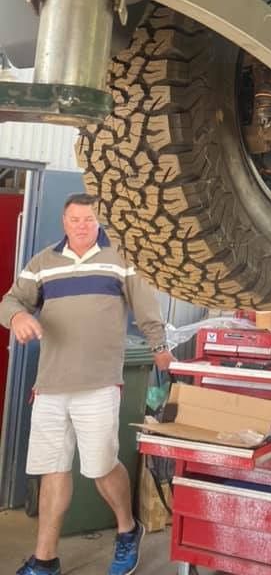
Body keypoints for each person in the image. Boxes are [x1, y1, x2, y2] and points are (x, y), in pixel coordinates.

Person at [0, 193, 174, 575]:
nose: (81, 224)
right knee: (53, 470)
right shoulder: (43, 262)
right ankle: (45, 560)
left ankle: (128, 529)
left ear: (99, 221)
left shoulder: (121, 259)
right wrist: (16, 319)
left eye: (88, 218)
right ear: (64, 222)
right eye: (74, 218)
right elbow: (10, 301)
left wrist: (161, 348)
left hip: (98, 384)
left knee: (99, 468)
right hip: (49, 386)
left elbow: (147, 310)